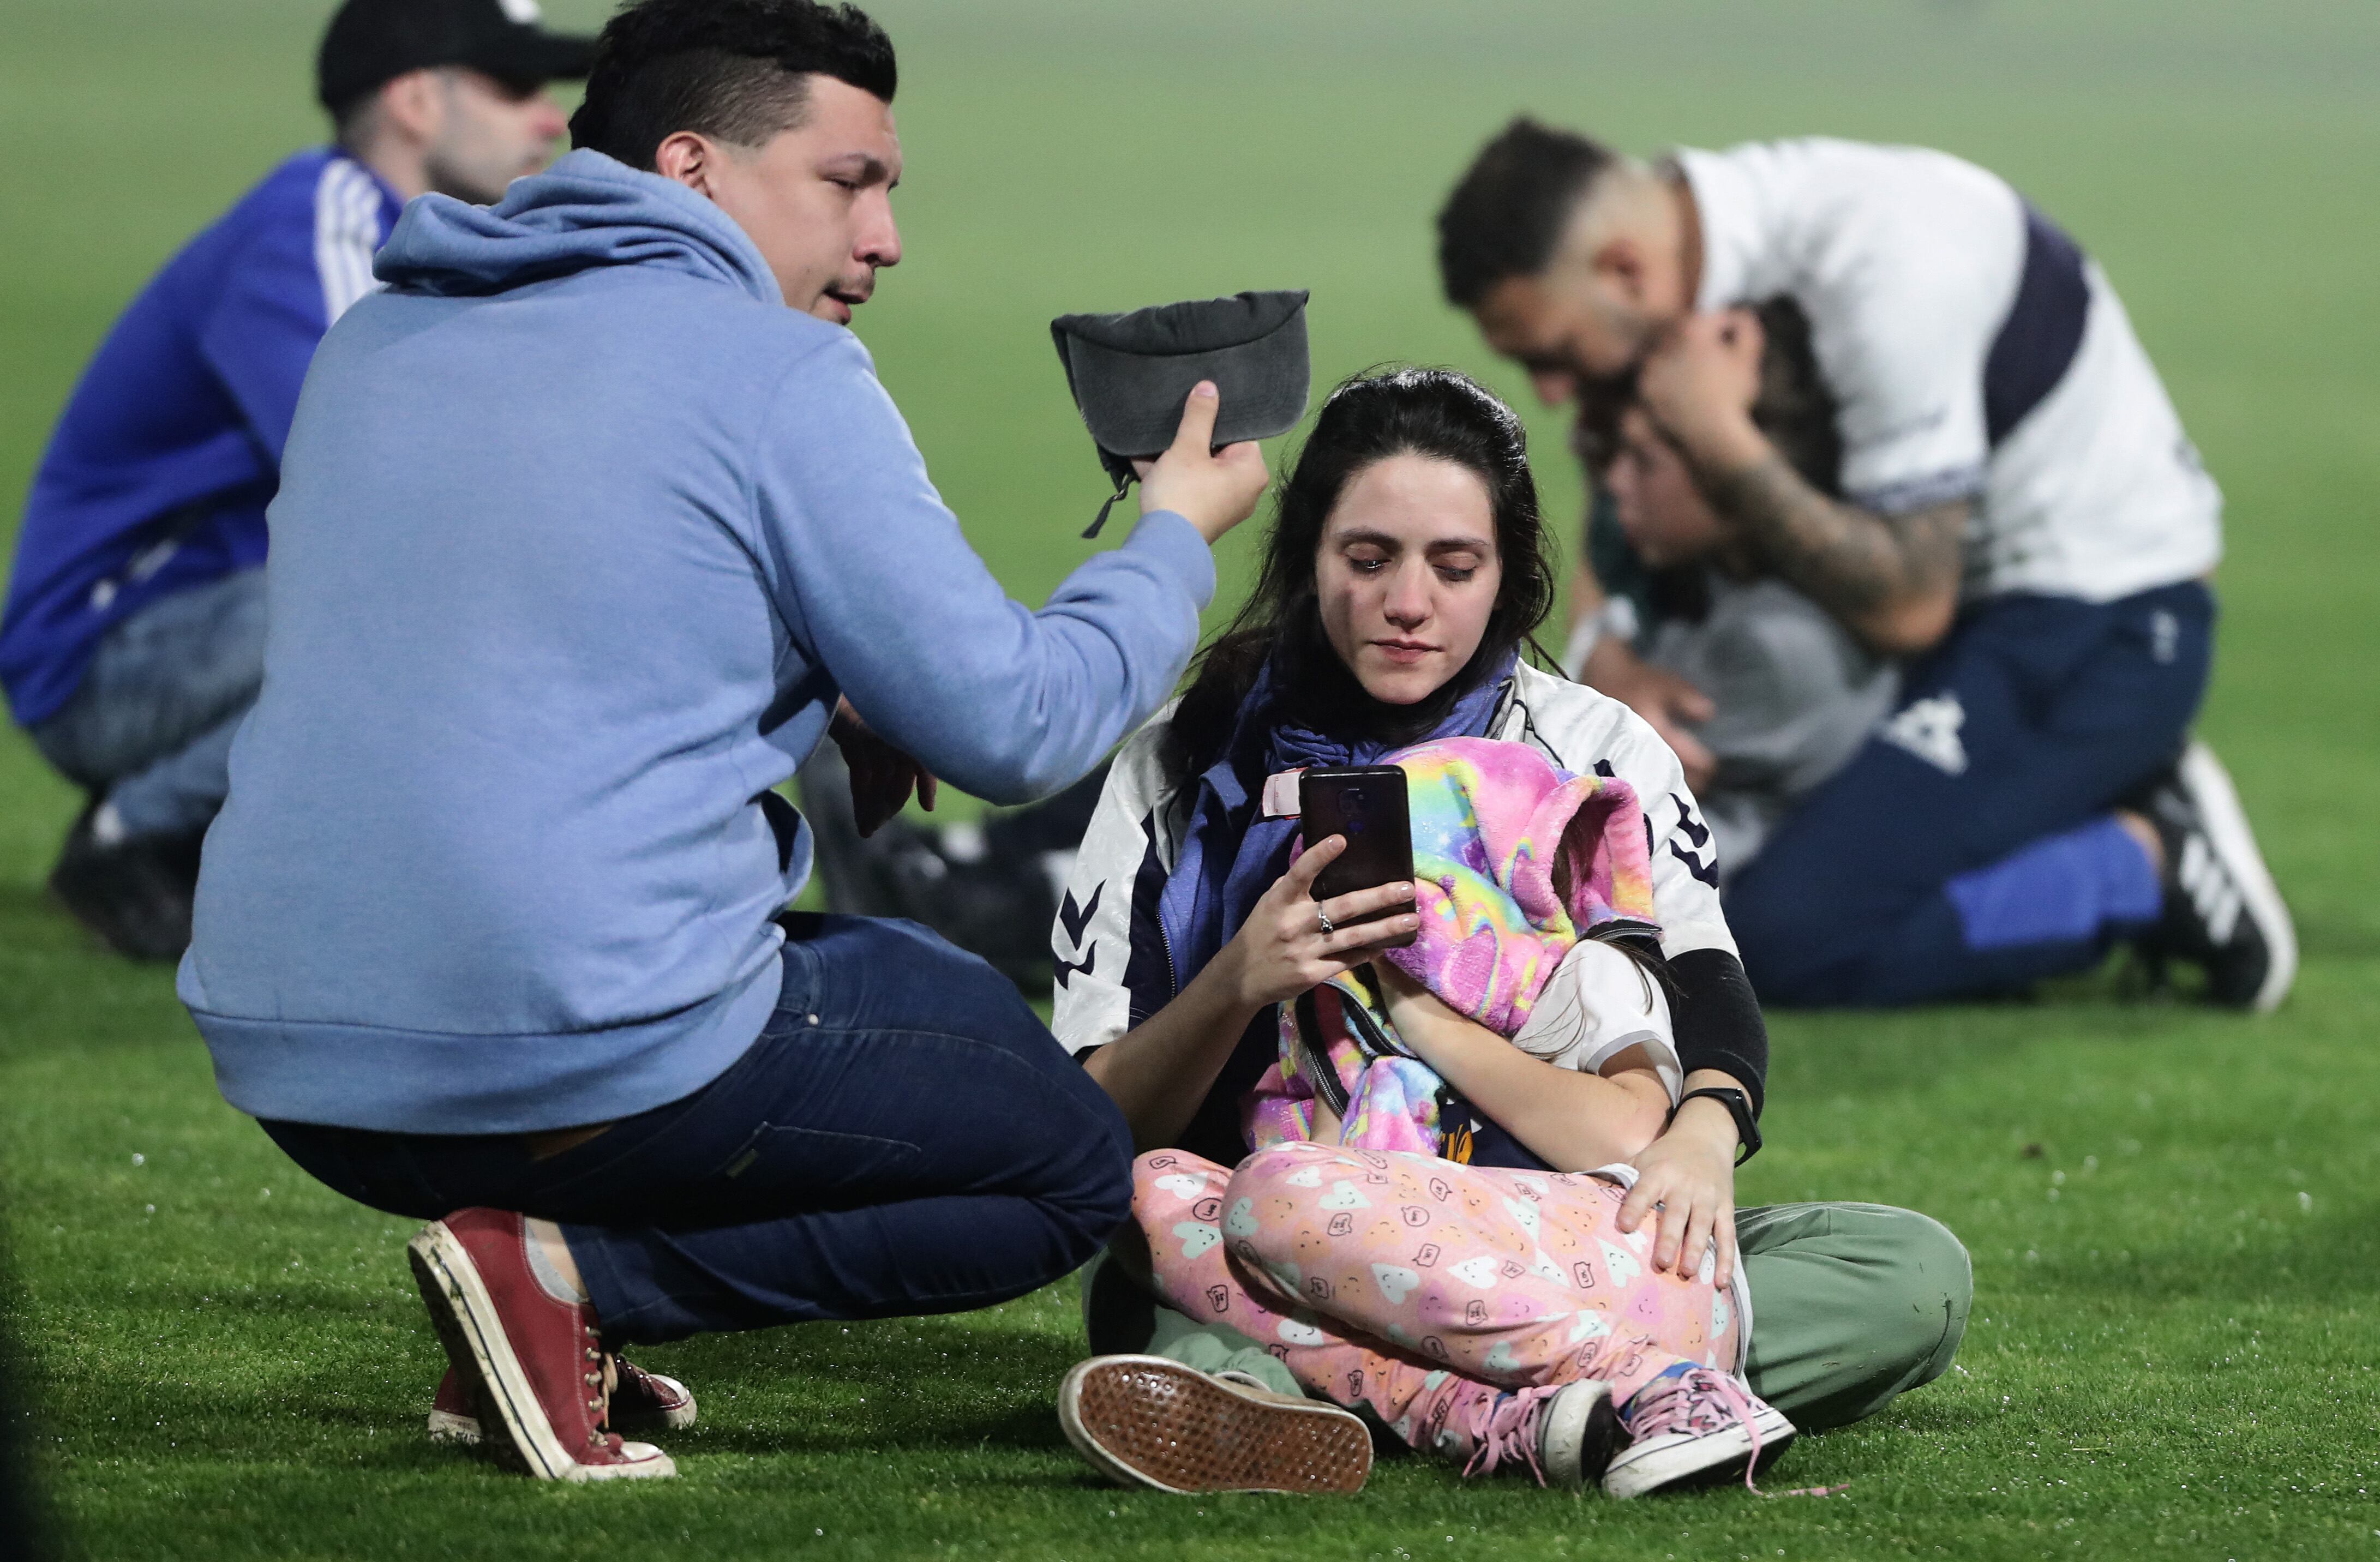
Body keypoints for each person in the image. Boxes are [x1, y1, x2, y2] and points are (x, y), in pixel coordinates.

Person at [177, 0, 1269, 1482]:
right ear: (689, 168)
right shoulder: (778, 375)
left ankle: (538, 1314)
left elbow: (533, 606)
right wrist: (1166, 541)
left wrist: (816, 681)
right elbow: (1019, 725)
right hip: (565, 1044)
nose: (884, 237)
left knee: (836, 976)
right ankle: (571, 1283)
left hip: (297, 1064)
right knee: (1059, 1157)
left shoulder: (377, 336)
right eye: (848, 181)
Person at [1048, 368, 1969, 1495]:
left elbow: (1700, 993)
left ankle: (1354, 1398)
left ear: (1508, 579)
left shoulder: (1592, 760)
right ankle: (1608, 1396)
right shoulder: (1179, 766)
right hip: (1303, 1229)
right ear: (1306, 558)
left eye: (1454, 564)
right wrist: (1238, 981)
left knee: (1907, 1273)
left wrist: (1705, 1135)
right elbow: (1090, 1131)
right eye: (1368, 556)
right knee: (1154, 1238)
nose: (1408, 602)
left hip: (1552, 1221)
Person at [1437, 122, 2296, 1011]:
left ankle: (2145, 859)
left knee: (1787, 933)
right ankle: (2065, 791)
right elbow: (1613, 494)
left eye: (1551, 355)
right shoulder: (1685, 266)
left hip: (2092, 625)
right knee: (1745, 883)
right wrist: (1604, 640)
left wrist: (1721, 440)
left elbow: (1908, 605)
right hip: (1966, 622)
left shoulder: (1886, 268)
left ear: (1623, 269)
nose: (1546, 392)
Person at [0, 0, 593, 960]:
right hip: (110, 653)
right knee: (444, 598)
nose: (543, 117)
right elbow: (391, 487)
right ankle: (136, 832)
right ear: (412, 99)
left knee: (469, 595)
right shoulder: (320, 225)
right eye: (511, 84)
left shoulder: (430, 250)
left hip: (232, 623)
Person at [1578, 296, 1896, 880]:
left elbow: (1569, 790)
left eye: (1643, 461)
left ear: (1730, 475)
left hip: (1729, 925)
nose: (1616, 482)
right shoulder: (1719, 572)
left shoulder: (1776, 644)